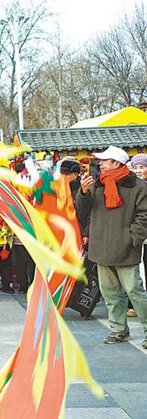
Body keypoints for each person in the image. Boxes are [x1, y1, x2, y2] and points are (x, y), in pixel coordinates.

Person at [76, 146, 147, 349]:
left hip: (126, 247)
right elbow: (81, 211)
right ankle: (119, 330)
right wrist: (83, 192)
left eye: (104, 160)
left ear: (116, 163)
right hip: (101, 247)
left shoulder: (138, 186)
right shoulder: (97, 184)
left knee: (134, 291)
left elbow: (144, 215)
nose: (100, 164)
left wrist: (132, 238)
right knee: (110, 293)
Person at [131, 154, 147, 291]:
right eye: (135, 167)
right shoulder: (131, 187)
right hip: (137, 234)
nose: (138, 171)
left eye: (142, 167)